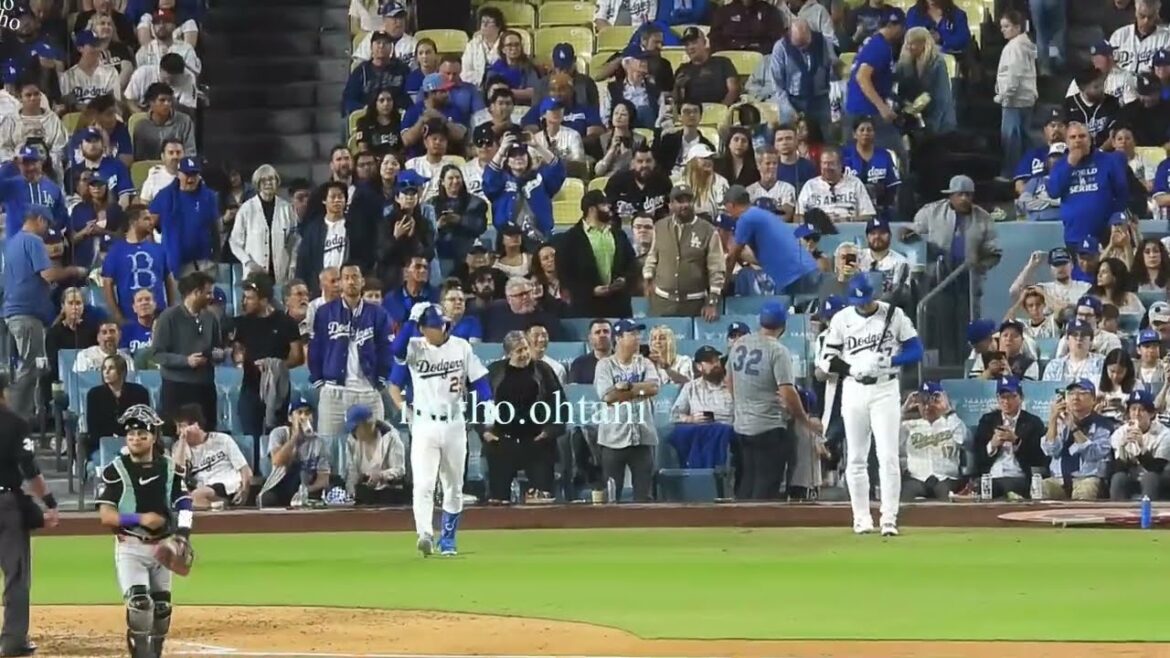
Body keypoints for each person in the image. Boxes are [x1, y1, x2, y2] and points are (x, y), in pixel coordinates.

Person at [818, 274, 924, 535]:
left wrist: (892, 362)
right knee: (855, 457)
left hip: (885, 388)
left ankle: (889, 518)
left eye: (866, 300)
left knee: (887, 456)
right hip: (854, 389)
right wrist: (851, 368)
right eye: (858, 301)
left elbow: (916, 349)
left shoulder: (893, 315)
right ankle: (861, 517)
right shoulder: (842, 319)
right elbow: (826, 360)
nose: (863, 305)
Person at [388, 304, 491, 556]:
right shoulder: (414, 346)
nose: (440, 328)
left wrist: (488, 402)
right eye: (433, 325)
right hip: (424, 423)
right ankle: (424, 533)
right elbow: (395, 351)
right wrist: (411, 318)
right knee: (423, 483)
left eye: (441, 323)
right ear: (422, 328)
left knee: (453, 484)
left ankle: (448, 539)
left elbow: (478, 379)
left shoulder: (461, 346)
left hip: (455, 422)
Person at [95, 404, 193, 658]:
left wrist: (183, 534)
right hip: (131, 546)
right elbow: (106, 516)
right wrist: (140, 518)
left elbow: (185, 502)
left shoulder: (170, 469)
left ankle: (155, 652)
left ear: (154, 437)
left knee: (162, 609)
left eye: (142, 434)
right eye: (131, 435)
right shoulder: (115, 470)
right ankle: (140, 654)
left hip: (163, 546)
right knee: (140, 605)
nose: (136, 439)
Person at [4, 206, 88, 423]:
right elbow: (49, 274)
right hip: (26, 313)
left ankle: (27, 415)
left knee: (31, 366)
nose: (47, 229)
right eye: (47, 224)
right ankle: (13, 420)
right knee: (31, 367)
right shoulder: (32, 241)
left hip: (15, 311)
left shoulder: (11, 242)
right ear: (40, 220)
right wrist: (73, 271)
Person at [728, 302, 818, 500]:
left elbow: (730, 383)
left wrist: (744, 405)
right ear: (783, 325)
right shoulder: (778, 350)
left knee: (748, 480)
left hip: (742, 426)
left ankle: (739, 524)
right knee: (766, 484)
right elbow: (787, 393)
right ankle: (757, 527)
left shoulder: (739, 344)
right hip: (769, 427)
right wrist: (804, 420)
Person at [0, 371, 59, 658]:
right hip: (5, 504)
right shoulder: (14, 423)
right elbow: (29, 469)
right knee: (16, 575)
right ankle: (12, 642)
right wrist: (48, 501)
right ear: (4, 392)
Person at [309, 262, 392, 437]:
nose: (351, 281)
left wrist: (382, 379)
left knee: (375, 449)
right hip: (334, 392)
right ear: (340, 283)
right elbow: (316, 348)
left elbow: (385, 349)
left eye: (355, 277)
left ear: (362, 281)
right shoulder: (324, 312)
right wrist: (318, 379)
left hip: (368, 391)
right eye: (346, 278)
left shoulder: (377, 313)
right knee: (329, 447)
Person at [483, 331, 565, 503]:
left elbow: (560, 403)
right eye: (519, 351)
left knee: (542, 497)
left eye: (526, 349)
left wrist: (550, 431)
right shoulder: (494, 372)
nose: (525, 354)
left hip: (537, 442)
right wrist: (484, 431)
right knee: (498, 499)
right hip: (502, 442)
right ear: (508, 354)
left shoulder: (543, 370)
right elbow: (478, 403)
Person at [593, 320, 660, 502]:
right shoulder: (605, 365)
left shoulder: (645, 363)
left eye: (638, 334)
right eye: (633, 334)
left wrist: (628, 387)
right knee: (612, 496)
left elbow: (653, 388)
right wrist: (639, 390)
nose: (638, 338)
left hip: (643, 436)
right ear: (619, 338)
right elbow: (608, 397)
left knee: (644, 496)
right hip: (613, 438)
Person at [151, 271, 225, 428]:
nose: (211, 297)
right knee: (175, 434)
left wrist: (218, 355)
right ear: (196, 292)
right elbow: (157, 354)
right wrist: (186, 361)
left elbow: (218, 347)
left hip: (205, 387)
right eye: (208, 293)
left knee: (207, 433)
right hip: (176, 388)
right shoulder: (168, 317)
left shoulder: (211, 318)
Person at [643, 184, 725, 319]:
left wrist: (712, 301)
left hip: (694, 303)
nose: (685, 205)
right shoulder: (659, 227)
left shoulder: (708, 231)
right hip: (662, 302)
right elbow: (652, 256)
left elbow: (717, 268)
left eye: (688, 201)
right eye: (680, 201)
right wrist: (647, 278)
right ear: (670, 205)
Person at [723, 185, 821, 296]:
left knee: (794, 312)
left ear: (731, 205)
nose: (728, 213)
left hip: (795, 276)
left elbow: (732, 257)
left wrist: (723, 287)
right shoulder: (764, 214)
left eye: (727, 209)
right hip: (809, 269)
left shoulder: (746, 218)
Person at [1046, 122, 1130, 247]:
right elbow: (1053, 192)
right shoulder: (1060, 165)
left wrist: (1114, 221)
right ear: (1067, 142)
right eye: (1073, 137)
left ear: (1090, 139)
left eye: (1082, 136)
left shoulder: (1109, 160)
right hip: (1074, 234)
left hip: (1106, 234)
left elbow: (1123, 195)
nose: (1078, 140)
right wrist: (1070, 165)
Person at [557, 191, 638, 319]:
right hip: (586, 308)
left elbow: (632, 263)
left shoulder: (619, 234)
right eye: (604, 205)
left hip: (619, 306)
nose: (609, 208)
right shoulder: (570, 238)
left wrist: (624, 280)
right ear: (592, 209)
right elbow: (565, 274)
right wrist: (591, 291)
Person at [1040, 379, 1116, 500]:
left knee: (1086, 490)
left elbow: (1094, 453)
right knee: (1042, 487)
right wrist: (1053, 419)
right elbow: (1050, 450)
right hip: (1058, 479)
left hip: (1087, 478)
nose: (1075, 397)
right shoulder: (1059, 422)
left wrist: (1073, 428)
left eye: (1082, 393)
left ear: (1093, 399)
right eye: (1071, 393)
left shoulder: (1103, 425)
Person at [845, 7, 906, 155]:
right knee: (896, 153)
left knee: (861, 155)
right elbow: (862, 76)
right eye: (901, 27)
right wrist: (882, 107)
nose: (903, 31)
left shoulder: (877, 43)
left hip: (860, 109)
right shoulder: (879, 46)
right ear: (892, 26)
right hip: (867, 112)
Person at [973, 376, 1046, 499]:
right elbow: (978, 456)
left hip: (1019, 476)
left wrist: (1016, 441)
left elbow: (1038, 458)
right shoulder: (988, 420)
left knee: (1009, 487)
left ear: (1021, 398)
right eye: (1003, 397)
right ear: (997, 399)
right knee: (982, 488)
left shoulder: (1033, 422)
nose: (1006, 401)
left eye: (1012, 396)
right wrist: (992, 444)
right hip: (992, 476)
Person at [169, 404, 251, 509]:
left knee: (194, 498)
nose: (178, 431)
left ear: (196, 425)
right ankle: (220, 506)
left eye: (181, 426)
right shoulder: (179, 447)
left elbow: (244, 468)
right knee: (188, 500)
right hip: (202, 487)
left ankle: (219, 505)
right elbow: (176, 473)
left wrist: (244, 491)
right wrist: (182, 440)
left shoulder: (223, 440)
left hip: (228, 485)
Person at [898, 381, 969, 500]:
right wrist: (903, 411)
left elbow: (964, 440)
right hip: (917, 478)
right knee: (905, 496)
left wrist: (947, 410)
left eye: (931, 402)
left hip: (946, 478)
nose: (927, 407)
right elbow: (890, 441)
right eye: (922, 403)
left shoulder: (951, 423)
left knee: (947, 498)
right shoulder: (909, 426)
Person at [258, 397, 334, 508]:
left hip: (306, 487)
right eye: (299, 412)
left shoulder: (319, 442)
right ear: (290, 418)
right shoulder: (279, 433)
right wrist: (295, 438)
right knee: (267, 499)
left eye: (308, 413)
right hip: (280, 484)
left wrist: (305, 490)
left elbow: (324, 479)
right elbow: (277, 461)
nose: (304, 416)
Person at [229, 165, 298, 285]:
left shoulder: (286, 208)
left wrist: (292, 266)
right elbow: (235, 242)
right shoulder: (247, 209)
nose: (268, 183)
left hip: (281, 275)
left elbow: (294, 240)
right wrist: (248, 262)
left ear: (277, 182)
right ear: (258, 184)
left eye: (271, 179)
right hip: (254, 274)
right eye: (263, 180)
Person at [768, 19, 834, 135]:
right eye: (798, 44)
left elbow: (831, 71)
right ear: (790, 36)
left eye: (805, 44)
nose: (802, 49)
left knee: (825, 138)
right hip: (792, 100)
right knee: (789, 138)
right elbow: (777, 84)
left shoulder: (824, 43)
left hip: (820, 99)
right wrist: (788, 108)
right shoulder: (780, 47)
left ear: (810, 34)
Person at [83, 355, 151, 462]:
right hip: (101, 446)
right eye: (104, 368)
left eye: (111, 368)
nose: (106, 372)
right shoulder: (94, 394)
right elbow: (93, 429)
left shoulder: (139, 392)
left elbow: (144, 423)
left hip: (134, 443)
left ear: (122, 372)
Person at [1109, 389, 1170, 500]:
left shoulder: (1164, 434)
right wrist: (1123, 447)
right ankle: (1117, 514)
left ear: (1151, 413)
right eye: (1133, 409)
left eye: (1142, 410)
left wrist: (1141, 447)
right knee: (1118, 478)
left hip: (1157, 479)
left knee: (1149, 477)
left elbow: (1158, 468)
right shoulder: (1120, 433)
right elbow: (1118, 468)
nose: (1137, 414)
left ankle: (1148, 515)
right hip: (1131, 478)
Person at [344, 404, 408, 506]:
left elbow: (400, 470)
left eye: (355, 428)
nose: (353, 432)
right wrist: (351, 494)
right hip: (364, 493)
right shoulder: (351, 440)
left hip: (389, 492)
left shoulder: (391, 437)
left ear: (367, 425)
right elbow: (352, 472)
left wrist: (381, 475)